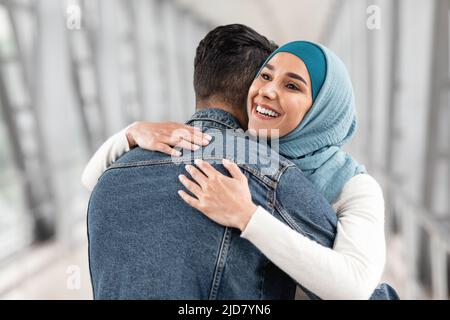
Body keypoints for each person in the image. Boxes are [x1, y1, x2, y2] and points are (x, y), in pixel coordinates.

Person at [84, 26, 398, 299]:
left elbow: (355, 287)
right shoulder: (243, 159)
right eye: (265, 76)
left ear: (324, 108)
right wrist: (131, 133)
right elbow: (96, 181)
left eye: (292, 85)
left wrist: (248, 217)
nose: (267, 91)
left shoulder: (353, 186)